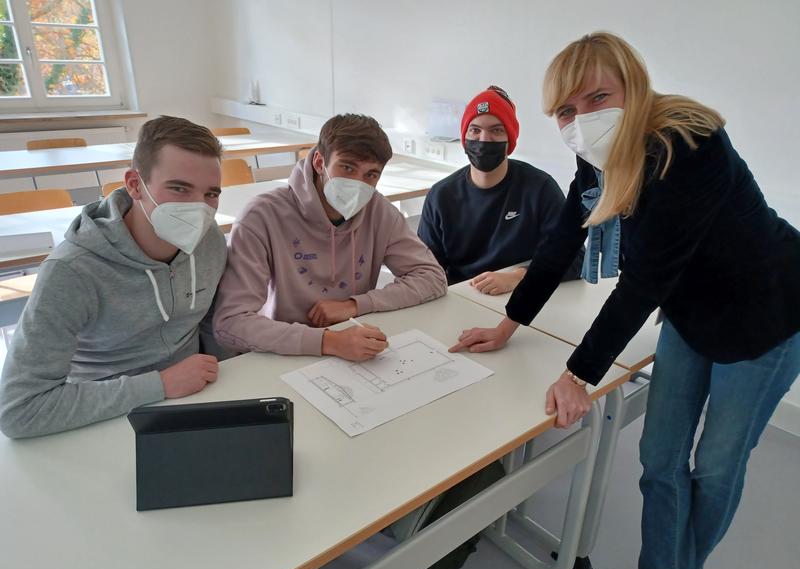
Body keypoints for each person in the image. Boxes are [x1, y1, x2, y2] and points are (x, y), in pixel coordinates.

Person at [450, 32, 800, 569]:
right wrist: (506, 325)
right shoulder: (598, 157)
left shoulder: (690, 144)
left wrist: (577, 374)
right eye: (566, 109)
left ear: (632, 88)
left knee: (714, 469)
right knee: (659, 460)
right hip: (690, 311)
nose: (581, 118)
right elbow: (561, 242)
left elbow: (644, 281)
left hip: (767, 313)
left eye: (597, 98)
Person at [0, 116, 229, 439]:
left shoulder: (210, 242)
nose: (198, 209)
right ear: (135, 184)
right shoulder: (72, 271)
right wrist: (160, 385)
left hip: (195, 395)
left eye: (211, 195)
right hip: (102, 414)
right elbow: (18, 411)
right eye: (179, 188)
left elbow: (210, 324)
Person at [213, 114, 447, 359]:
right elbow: (230, 324)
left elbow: (432, 278)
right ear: (318, 161)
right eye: (347, 167)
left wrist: (355, 305)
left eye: (371, 175)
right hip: (283, 348)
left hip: (353, 339)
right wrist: (328, 341)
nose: (357, 183)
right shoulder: (262, 216)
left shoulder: (379, 211)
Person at [418, 85, 583, 293]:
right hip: (461, 298)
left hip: (522, 298)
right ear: (464, 137)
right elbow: (424, 270)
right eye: (475, 130)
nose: (484, 139)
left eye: (496, 130)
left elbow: (575, 258)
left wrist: (517, 277)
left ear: (510, 139)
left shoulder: (539, 188)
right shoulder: (441, 196)